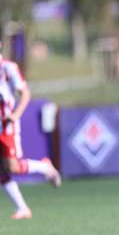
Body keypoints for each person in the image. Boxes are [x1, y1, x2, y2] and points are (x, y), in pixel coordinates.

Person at [0, 39, 61, 220]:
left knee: (13, 166)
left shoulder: (8, 68)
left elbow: (25, 93)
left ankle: (44, 166)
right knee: (1, 170)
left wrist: (15, 115)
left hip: (7, 124)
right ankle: (22, 208)